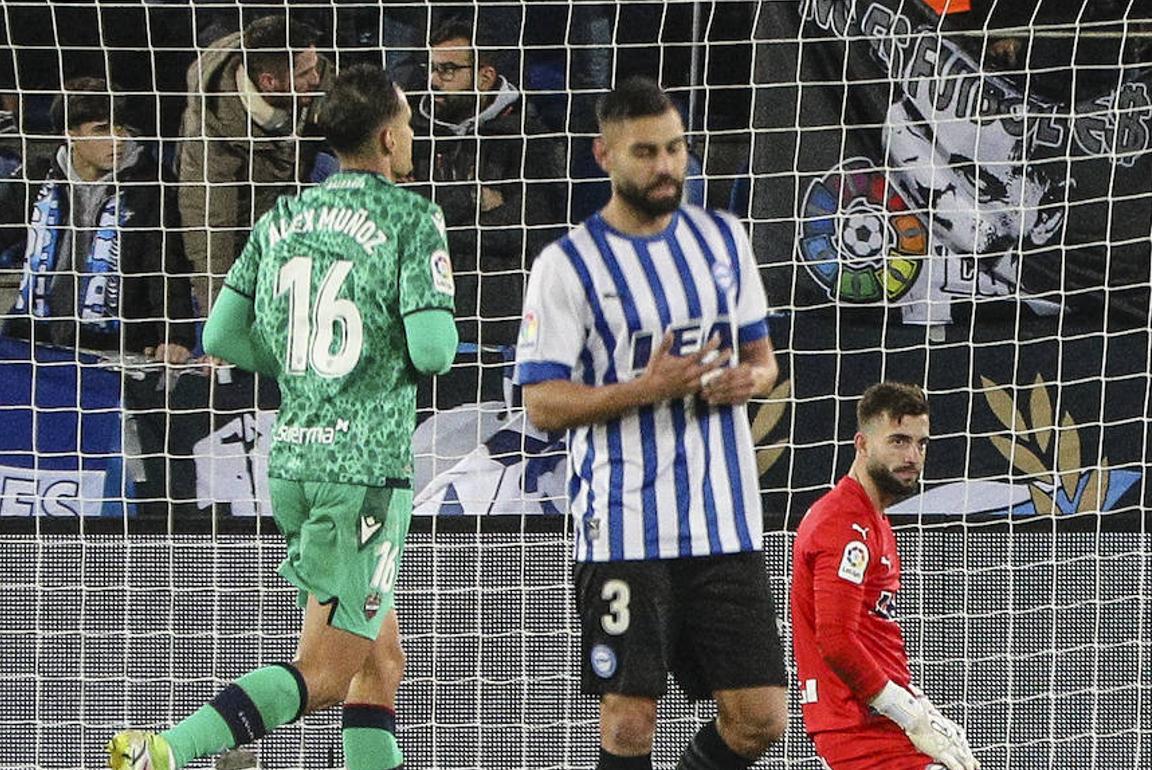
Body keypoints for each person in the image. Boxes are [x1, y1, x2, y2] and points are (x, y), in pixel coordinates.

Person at [108, 64, 459, 770]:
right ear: (389, 139)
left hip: (295, 459)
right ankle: (166, 750)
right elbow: (435, 350)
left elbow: (218, 338)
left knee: (379, 661)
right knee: (328, 672)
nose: (415, 133)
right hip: (361, 473)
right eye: (412, 123)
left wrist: (308, 366)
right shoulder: (411, 217)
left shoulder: (283, 217)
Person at [516, 77, 787, 770]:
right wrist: (646, 388)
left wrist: (745, 382)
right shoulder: (566, 265)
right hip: (625, 523)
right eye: (646, 152)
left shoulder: (724, 239)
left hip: (724, 525)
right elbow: (542, 404)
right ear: (604, 155)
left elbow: (764, 362)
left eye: (675, 148)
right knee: (630, 721)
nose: (666, 165)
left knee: (760, 718)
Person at [790, 382, 981, 770]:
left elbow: (874, 636)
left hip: (882, 724)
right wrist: (908, 713)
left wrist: (923, 708)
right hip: (858, 728)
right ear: (862, 444)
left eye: (921, 443)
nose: (912, 455)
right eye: (897, 441)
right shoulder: (844, 524)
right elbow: (836, 639)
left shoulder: (871, 518)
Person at [0, 77, 195, 361]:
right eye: (102, 130)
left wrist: (175, 335)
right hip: (34, 337)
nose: (117, 139)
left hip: (115, 345)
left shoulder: (151, 184)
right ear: (71, 134)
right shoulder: (37, 176)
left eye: (120, 127)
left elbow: (164, 264)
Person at [411, 17, 564, 346]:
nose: (434, 81)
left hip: (499, 315)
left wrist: (440, 231)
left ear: (485, 77)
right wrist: (472, 199)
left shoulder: (527, 135)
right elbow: (407, 218)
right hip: (425, 310)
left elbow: (530, 228)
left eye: (448, 70)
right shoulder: (414, 132)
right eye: (432, 68)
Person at [177, 14, 333, 306]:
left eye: (315, 67)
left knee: (335, 168)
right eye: (304, 75)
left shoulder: (315, 73)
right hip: (245, 215)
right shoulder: (212, 125)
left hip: (297, 192)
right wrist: (219, 318)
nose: (317, 78)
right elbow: (211, 223)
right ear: (269, 82)